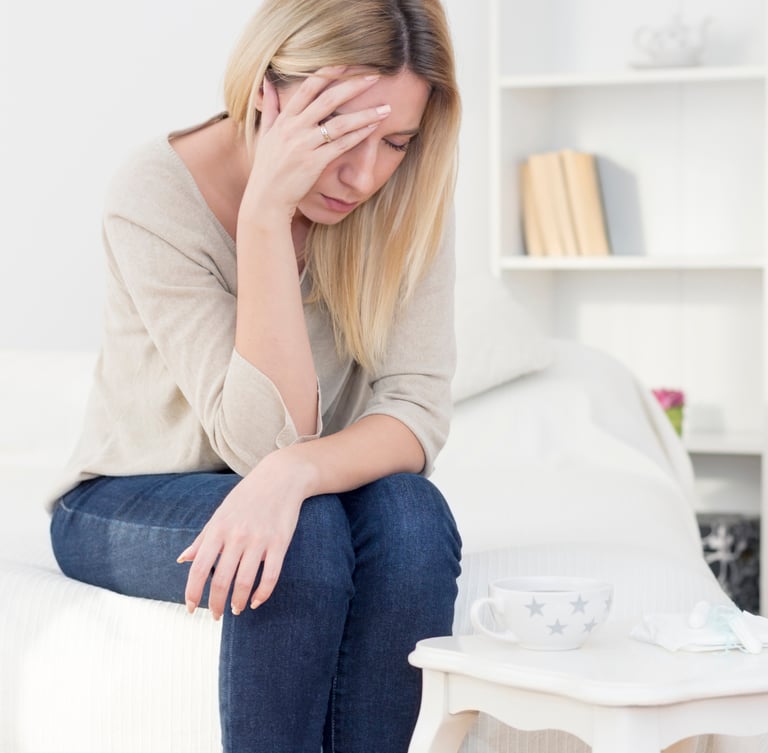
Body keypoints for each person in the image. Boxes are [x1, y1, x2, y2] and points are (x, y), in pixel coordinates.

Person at [48, 0, 462, 751]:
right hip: (128, 492)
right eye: (341, 135)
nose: (365, 175)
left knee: (412, 516)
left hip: (312, 483)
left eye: (396, 142)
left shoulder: (406, 192)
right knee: (301, 536)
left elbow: (417, 410)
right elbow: (257, 442)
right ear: (267, 92)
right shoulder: (155, 193)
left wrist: (294, 473)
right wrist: (265, 216)